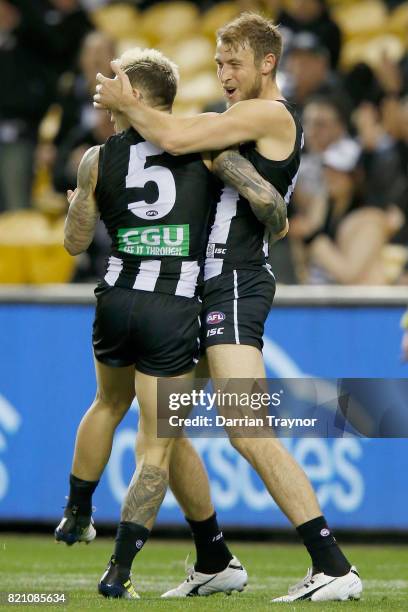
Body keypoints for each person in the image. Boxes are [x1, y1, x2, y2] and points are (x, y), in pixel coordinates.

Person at [94, 12, 363, 602]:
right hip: (202, 286)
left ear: (268, 62)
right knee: (167, 421)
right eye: (217, 63)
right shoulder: (238, 122)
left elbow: (177, 138)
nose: (223, 73)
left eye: (234, 62)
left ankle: (333, 564)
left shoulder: (269, 114)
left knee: (247, 428)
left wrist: (126, 102)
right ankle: (214, 557)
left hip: (235, 283)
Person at [56, 46, 287, 599]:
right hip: (174, 306)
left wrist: (78, 205)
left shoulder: (95, 159)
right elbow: (268, 200)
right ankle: (118, 571)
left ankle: (76, 513)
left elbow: (74, 242)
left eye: (116, 93)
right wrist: (268, 230)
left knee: (106, 405)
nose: (107, 103)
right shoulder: (204, 148)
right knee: (157, 442)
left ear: (134, 97)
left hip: (114, 299)